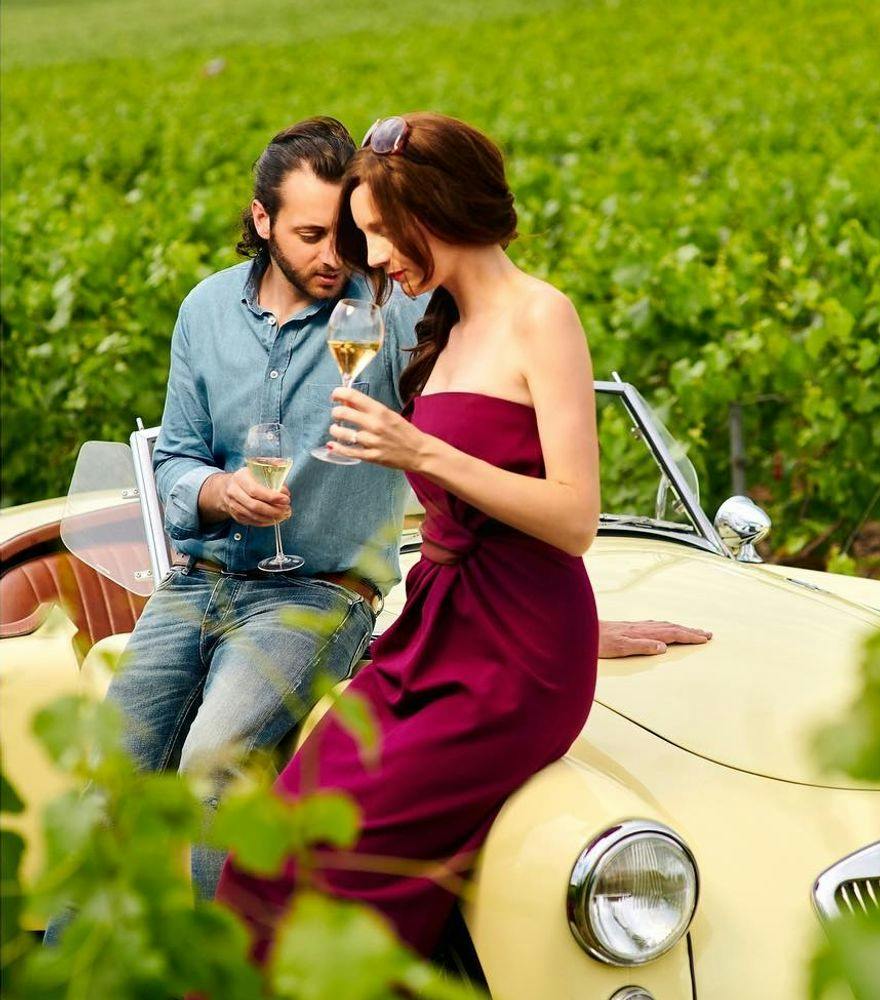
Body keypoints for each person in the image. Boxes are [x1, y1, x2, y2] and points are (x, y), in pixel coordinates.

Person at [42, 117, 709, 939]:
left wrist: (576, 623)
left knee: (215, 767)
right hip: (220, 582)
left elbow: (537, 500)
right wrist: (217, 491)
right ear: (262, 223)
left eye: (365, 237)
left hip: (331, 594)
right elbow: (175, 457)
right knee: (111, 770)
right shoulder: (213, 311)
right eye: (322, 236)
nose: (351, 260)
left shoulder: (402, 315)